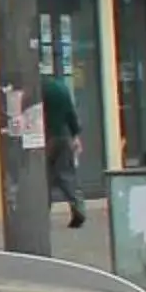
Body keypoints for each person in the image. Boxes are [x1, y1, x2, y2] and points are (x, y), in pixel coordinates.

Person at [41, 70, 88, 229]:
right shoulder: (61, 88)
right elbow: (71, 114)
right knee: (66, 175)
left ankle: (42, 215)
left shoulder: (37, 89)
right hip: (64, 136)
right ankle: (78, 207)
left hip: (45, 138)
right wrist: (75, 136)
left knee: (43, 178)